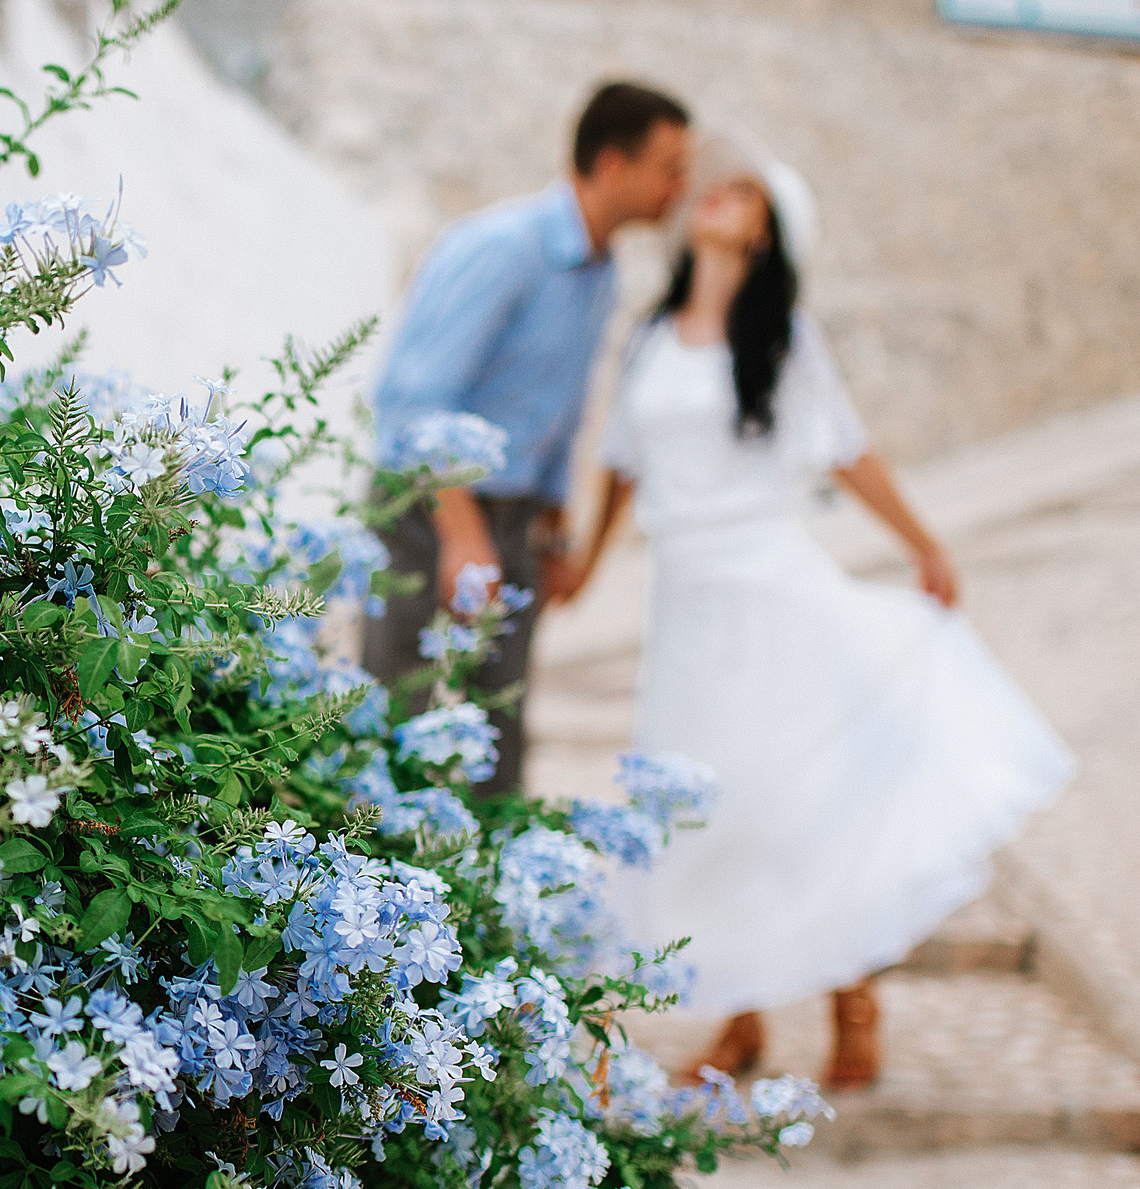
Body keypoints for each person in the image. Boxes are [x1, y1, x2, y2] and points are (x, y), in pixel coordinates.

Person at [549, 129, 1074, 1088]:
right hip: (688, 607)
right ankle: (742, 1018)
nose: (715, 196)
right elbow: (622, 467)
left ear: (767, 231)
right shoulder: (653, 340)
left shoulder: (782, 341)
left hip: (770, 590)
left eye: (740, 192)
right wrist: (583, 571)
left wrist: (924, 542)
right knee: (706, 811)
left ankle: (852, 998)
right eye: (713, 188)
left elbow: (846, 449)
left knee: (800, 803)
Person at [367, 81, 691, 795]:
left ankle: (490, 894)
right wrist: (461, 535)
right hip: (430, 511)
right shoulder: (500, 249)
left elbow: (555, 410)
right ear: (613, 165)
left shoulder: (604, 271)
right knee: (395, 711)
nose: (681, 186)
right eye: (669, 167)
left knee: (499, 725)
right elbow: (410, 401)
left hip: (513, 523)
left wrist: (551, 531)